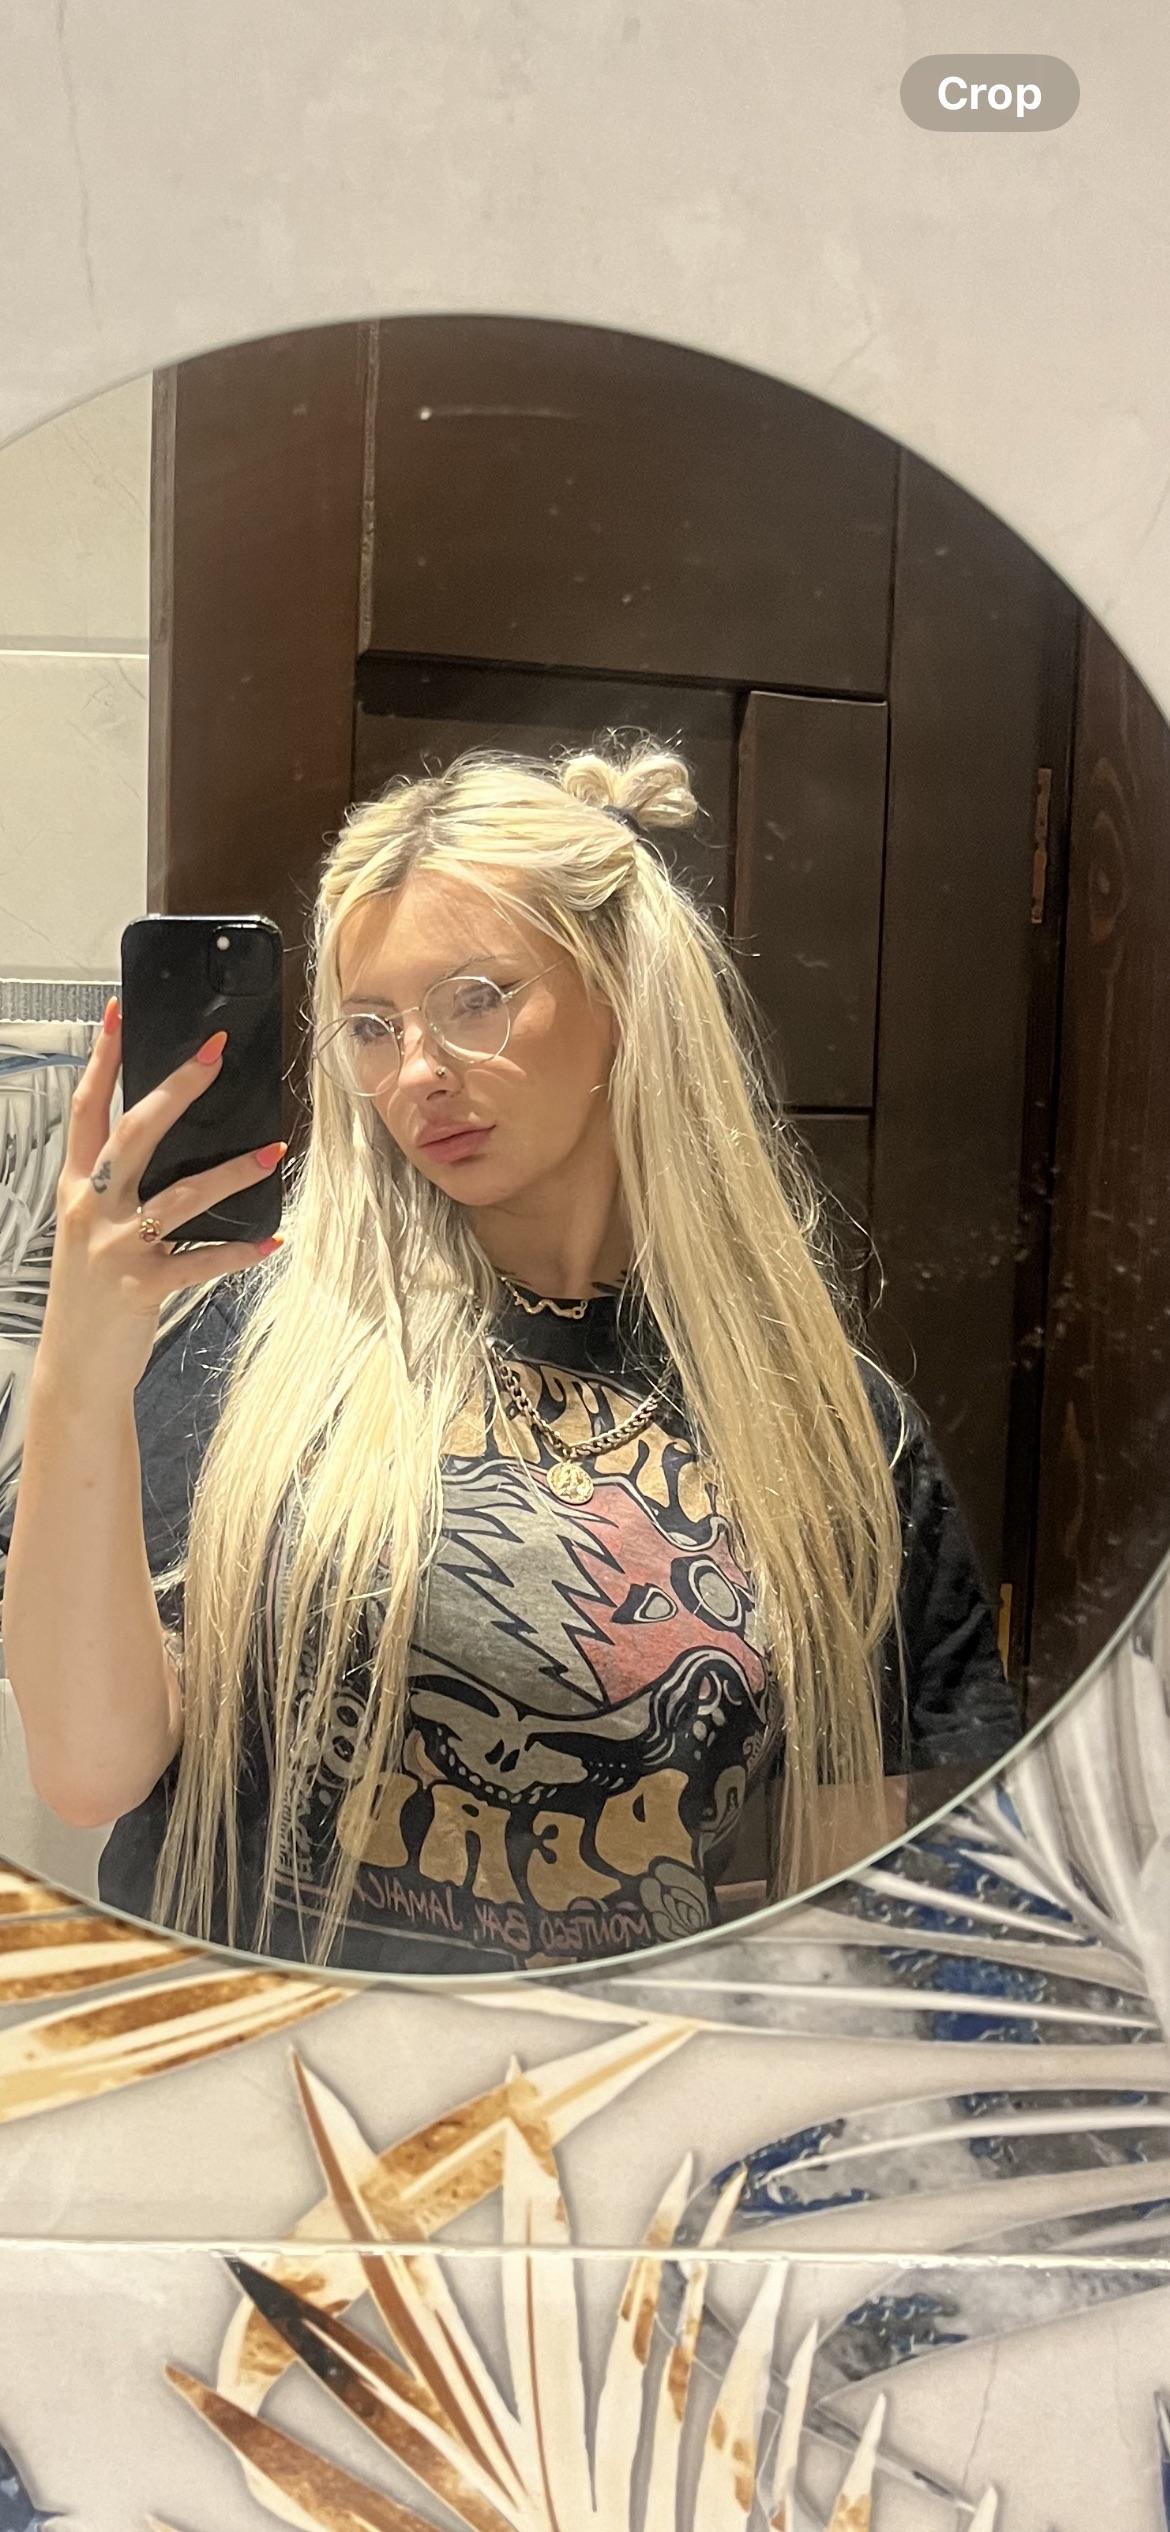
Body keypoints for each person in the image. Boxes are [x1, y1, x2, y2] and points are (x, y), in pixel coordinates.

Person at [4, 743, 1020, 1976]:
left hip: (602, 2089)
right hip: (254, 2076)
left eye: (475, 999)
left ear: (622, 989)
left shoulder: (832, 1431)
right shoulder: (254, 1340)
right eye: (373, 1027)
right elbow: (89, 1769)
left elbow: (893, 1916)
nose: (416, 1074)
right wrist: (78, 1370)